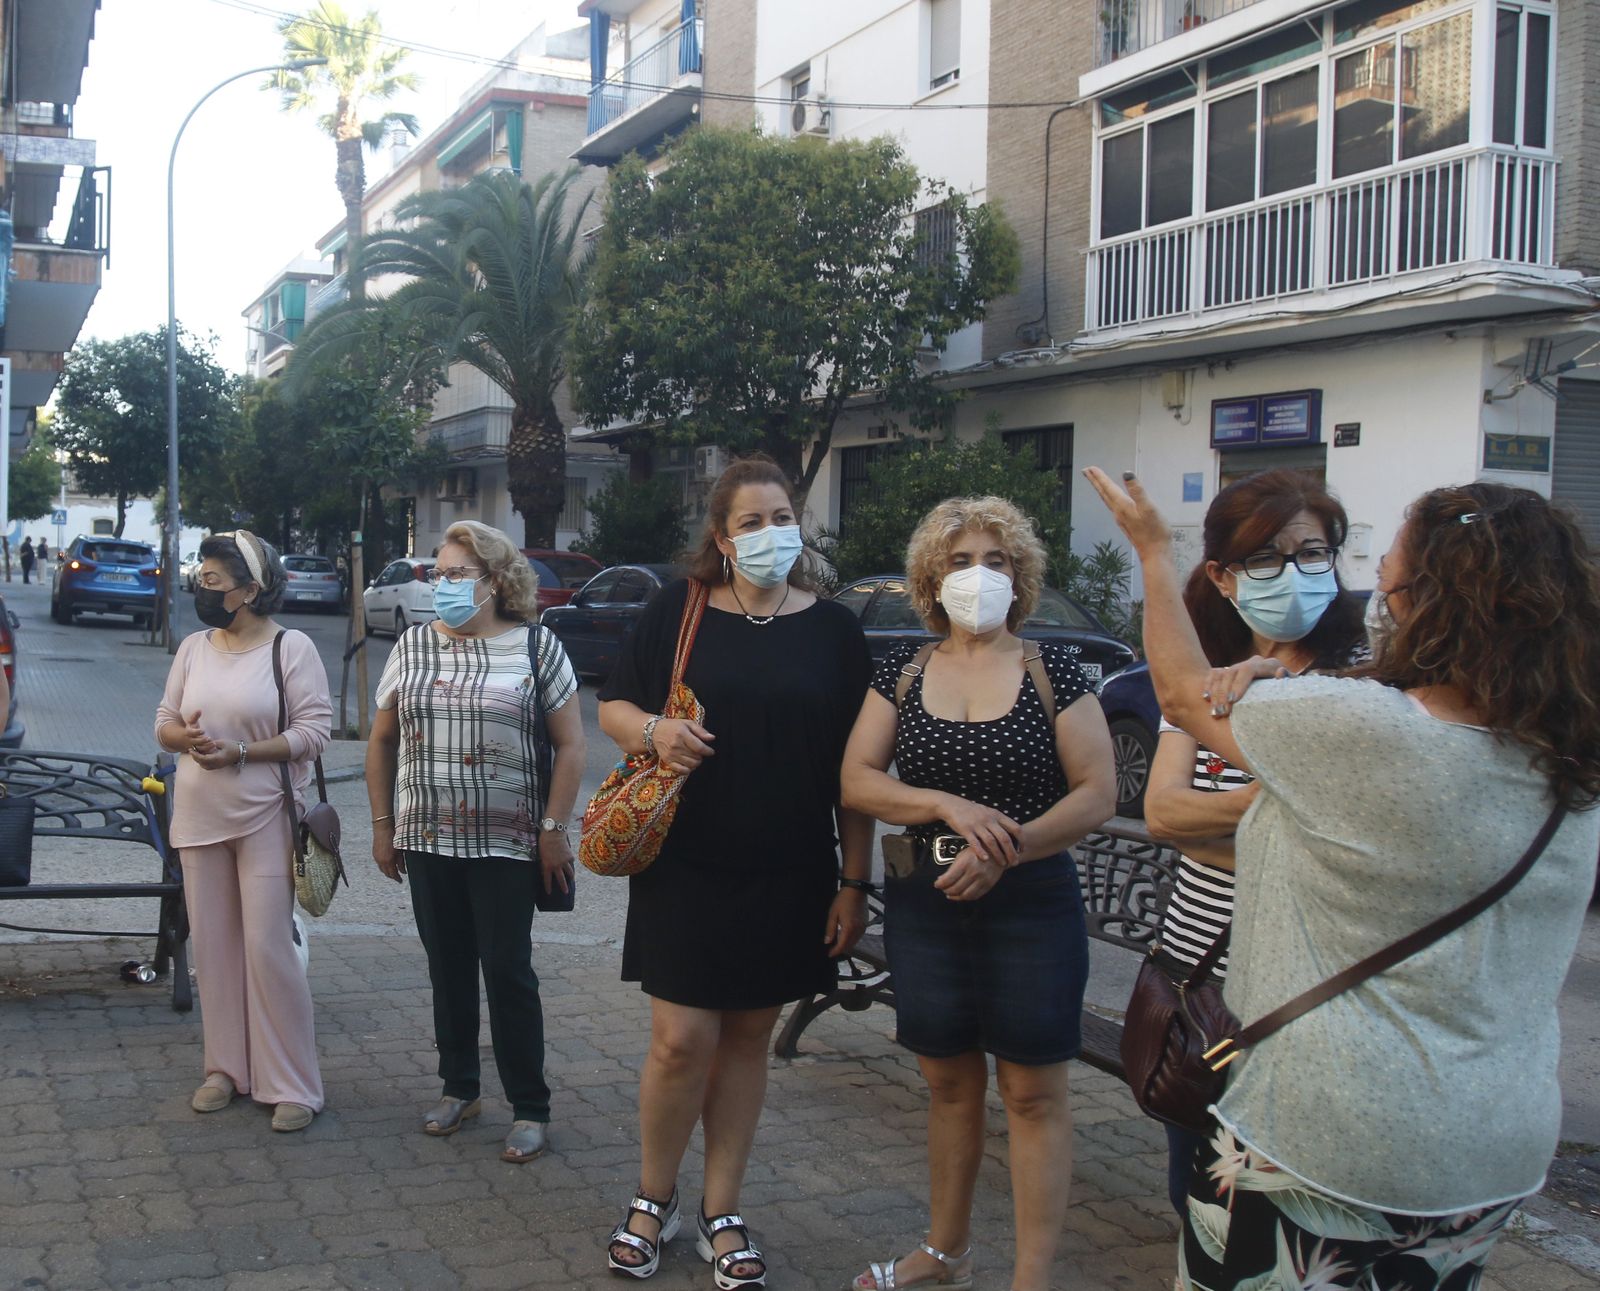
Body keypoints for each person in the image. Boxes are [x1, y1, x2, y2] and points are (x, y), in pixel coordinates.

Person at [1087, 469, 1600, 1290]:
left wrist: (1153, 548)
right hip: (1492, 1153)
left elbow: (1183, 696)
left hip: (1329, 1143)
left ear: (1430, 606)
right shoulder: (1566, 756)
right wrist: (1287, 683)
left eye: (1386, 582)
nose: (1372, 600)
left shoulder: (1364, 735)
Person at [598, 454, 873, 1288]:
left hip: (789, 864)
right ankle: (654, 1198)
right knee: (681, 1040)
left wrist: (854, 882)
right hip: (687, 861)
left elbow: (854, 774)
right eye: (751, 522)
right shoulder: (677, 612)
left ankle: (723, 1208)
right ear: (721, 537)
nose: (770, 533)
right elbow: (613, 703)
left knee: (748, 1037)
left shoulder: (834, 629)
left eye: (782, 516)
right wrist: (653, 732)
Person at [840, 496, 1118, 1291]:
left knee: (1032, 1091)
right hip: (926, 898)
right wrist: (942, 806)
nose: (979, 576)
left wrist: (1012, 848)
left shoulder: (1051, 669)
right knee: (948, 1082)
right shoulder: (904, 670)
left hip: (1031, 903)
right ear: (931, 578)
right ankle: (946, 1250)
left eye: (996, 560)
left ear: (1020, 575)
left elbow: (1097, 791)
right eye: (961, 561)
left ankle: (1030, 1279)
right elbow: (856, 778)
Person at [1141, 470, 1366, 1217]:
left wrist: (1232, 815)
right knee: (1192, 1188)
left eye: (1311, 552)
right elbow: (1164, 814)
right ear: (1223, 575)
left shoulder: (1366, 686)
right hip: (1197, 979)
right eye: (1266, 558)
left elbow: (1340, 842)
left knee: (1274, 1202)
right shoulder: (1202, 681)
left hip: (1299, 992)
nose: (1294, 572)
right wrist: (1276, 802)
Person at [367, 520, 584, 1164]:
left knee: (509, 971)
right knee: (448, 967)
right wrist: (383, 826)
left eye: (459, 574)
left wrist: (552, 829)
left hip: (510, 843)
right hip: (427, 834)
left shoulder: (537, 647)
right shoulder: (411, 646)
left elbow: (572, 745)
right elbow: (381, 742)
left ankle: (530, 1106)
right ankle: (459, 1087)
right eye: (439, 573)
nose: (444, 585)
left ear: (496, 581)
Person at [154, 530, 332, 1133]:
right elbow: (164, 723)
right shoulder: (194, 648)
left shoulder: (292, 649)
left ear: (251, 589)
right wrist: (189, 740)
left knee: (267, 948)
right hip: (199, 817)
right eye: (200, 580)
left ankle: (292, 1084)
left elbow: (314, 732)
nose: (201, 591)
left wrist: (241, 752)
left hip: (264, 816)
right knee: (214, 948)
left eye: (212, 582)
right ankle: (224, 1069)